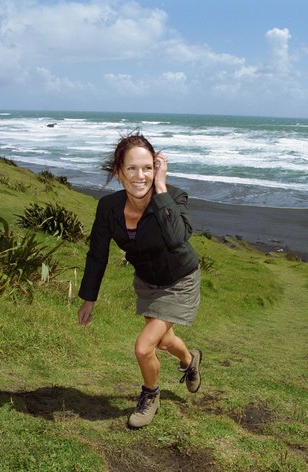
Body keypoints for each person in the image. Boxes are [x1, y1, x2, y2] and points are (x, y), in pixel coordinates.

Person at [77, 132, 202, 429]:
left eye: (147, 167)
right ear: (118, 171)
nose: (139, 175)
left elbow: (176, 238)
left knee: (144, 347)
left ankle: (150, 396)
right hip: (147, 282)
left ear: (156, 168)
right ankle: (190, 359)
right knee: (162, 342)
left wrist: (161, 189)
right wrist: (89, 298)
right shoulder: (108, 207)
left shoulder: (174, 197)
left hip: (180, 280)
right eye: (131, 168)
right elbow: (97, 254)